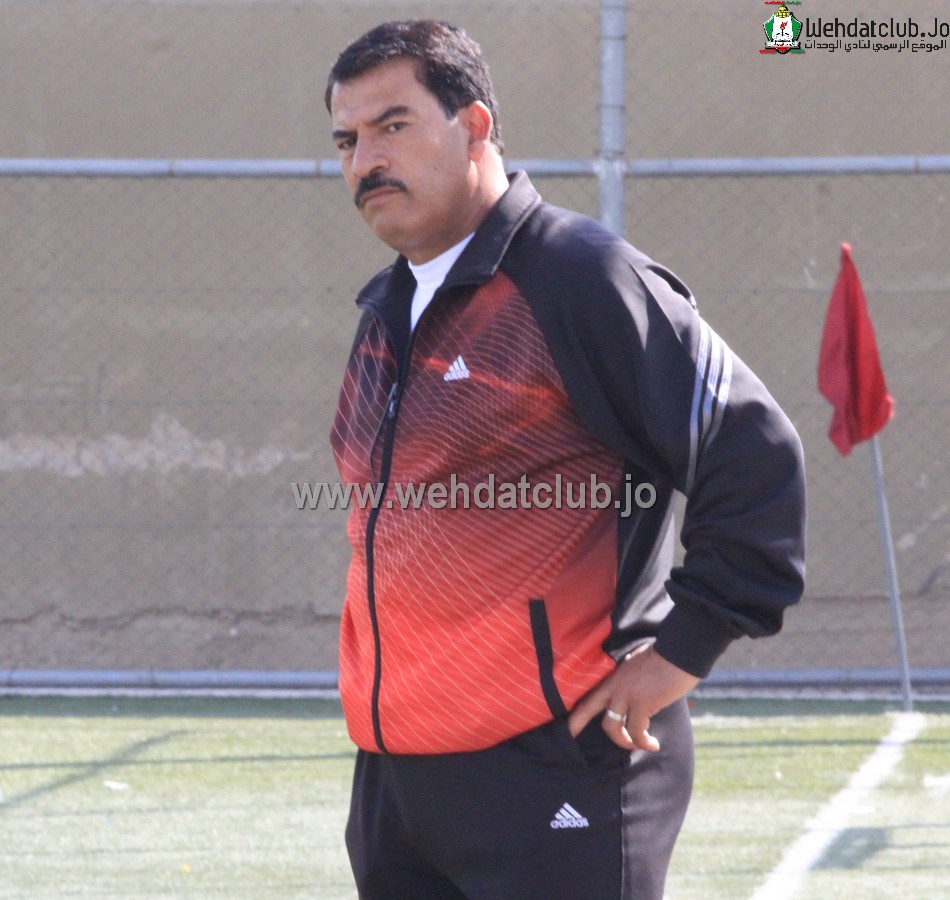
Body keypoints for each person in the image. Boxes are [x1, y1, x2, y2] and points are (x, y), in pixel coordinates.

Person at [326, 19, 805, 900]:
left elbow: (754, 454)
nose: (365, 161)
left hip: (558, 768)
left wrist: (683, 649)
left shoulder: (579, 277)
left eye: (393, 125)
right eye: (347, 141)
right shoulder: (387, 309)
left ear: (475, 126)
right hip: (398, 783)